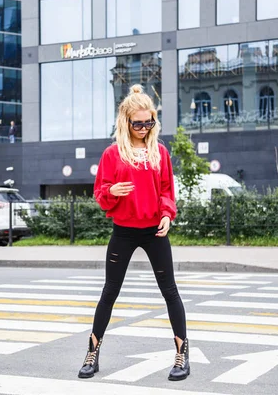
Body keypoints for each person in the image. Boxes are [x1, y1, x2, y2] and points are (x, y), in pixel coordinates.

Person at [78, 84, 189, 381]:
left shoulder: (160, 152)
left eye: (148, 122)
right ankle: (92, 352)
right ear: (125, 121)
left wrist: (167, 214)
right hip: (123, 232)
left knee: (170, 292)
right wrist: (112, 190)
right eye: (137, 122)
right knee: (109, 293)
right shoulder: (113, 154)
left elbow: (167, 190)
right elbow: (100, 193)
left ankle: (181, 355)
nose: (143, 128)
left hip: (155, 232)